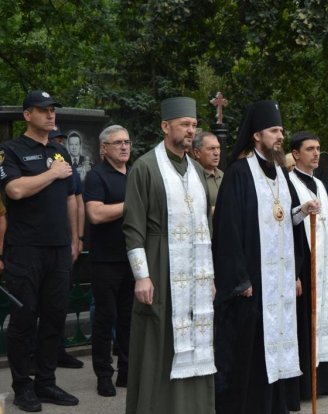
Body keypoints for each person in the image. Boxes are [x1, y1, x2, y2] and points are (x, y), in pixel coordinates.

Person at [212, 100, 320, 413]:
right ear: (257, 135)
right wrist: (239, 278)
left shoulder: (281, 174)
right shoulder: (239, 173)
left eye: (281, 131)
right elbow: (228, 230)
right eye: (274, 131)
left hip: (280, 282)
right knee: (253, 349)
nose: (279, 137)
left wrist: (301, 211)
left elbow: (282, 218)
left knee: (280, 343)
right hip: (253, 283)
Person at [122, 97, 216, 413]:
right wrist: (142, 276)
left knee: (196, 341)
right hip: (159, 264)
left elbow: (206, 224)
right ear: (165, 126)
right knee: (159, 341)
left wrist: (211, 275)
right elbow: (133, 226)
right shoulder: (145, 167)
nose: (191, 131)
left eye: (193, 125)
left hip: (195, 269)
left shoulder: (197, 170)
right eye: (184, 125)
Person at [0, 90, 79, 412]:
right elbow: (15, 190)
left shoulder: (61, 152)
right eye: (42, 110)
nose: (50, 115)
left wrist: (76, 239)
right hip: (25, 249)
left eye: (52, 110)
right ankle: (23, 387)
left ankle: (46, 383)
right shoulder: (10, 151)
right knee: (23, 318)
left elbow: (71, 198)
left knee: (54, 318)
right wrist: (51, 173)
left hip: (59, 248)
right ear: (27, 115)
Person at [286, 131, 328, 407]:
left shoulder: (321, 183)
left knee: (326, 316)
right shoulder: (288, 182)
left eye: (319, 148)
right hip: (305, 258)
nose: (316, 153)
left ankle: (324, 377)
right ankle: (304, 382)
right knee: (306, 320)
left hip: (325, 259)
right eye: (310, 149)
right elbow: (286, 226)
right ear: (296, 154)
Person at [84, 125, 134, 397]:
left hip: (133, 258)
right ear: (104, 148)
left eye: (127, 142)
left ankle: (127, 371)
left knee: (129, 319)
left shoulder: (135, 173)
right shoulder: (96, 176)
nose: (124, 147)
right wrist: (131, 205)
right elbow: (95, 214)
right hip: (105, 260)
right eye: (117, 143)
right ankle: (104, 374)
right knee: (106, 318)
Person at [47, 128, 85, 370]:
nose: (60, 146)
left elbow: (77, 201)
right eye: (56, 142)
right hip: (36, 244)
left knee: (59, 303)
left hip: (63, 242)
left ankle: (58, 351)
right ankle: (34, 356)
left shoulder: (67, 166)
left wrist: (78, 238)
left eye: (62, 141)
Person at [191, 131, 224, 215]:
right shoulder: (191, 177)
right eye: (211, 148)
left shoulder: (222, 175)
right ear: (197, 153)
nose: (216, 153)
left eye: (218, 148)